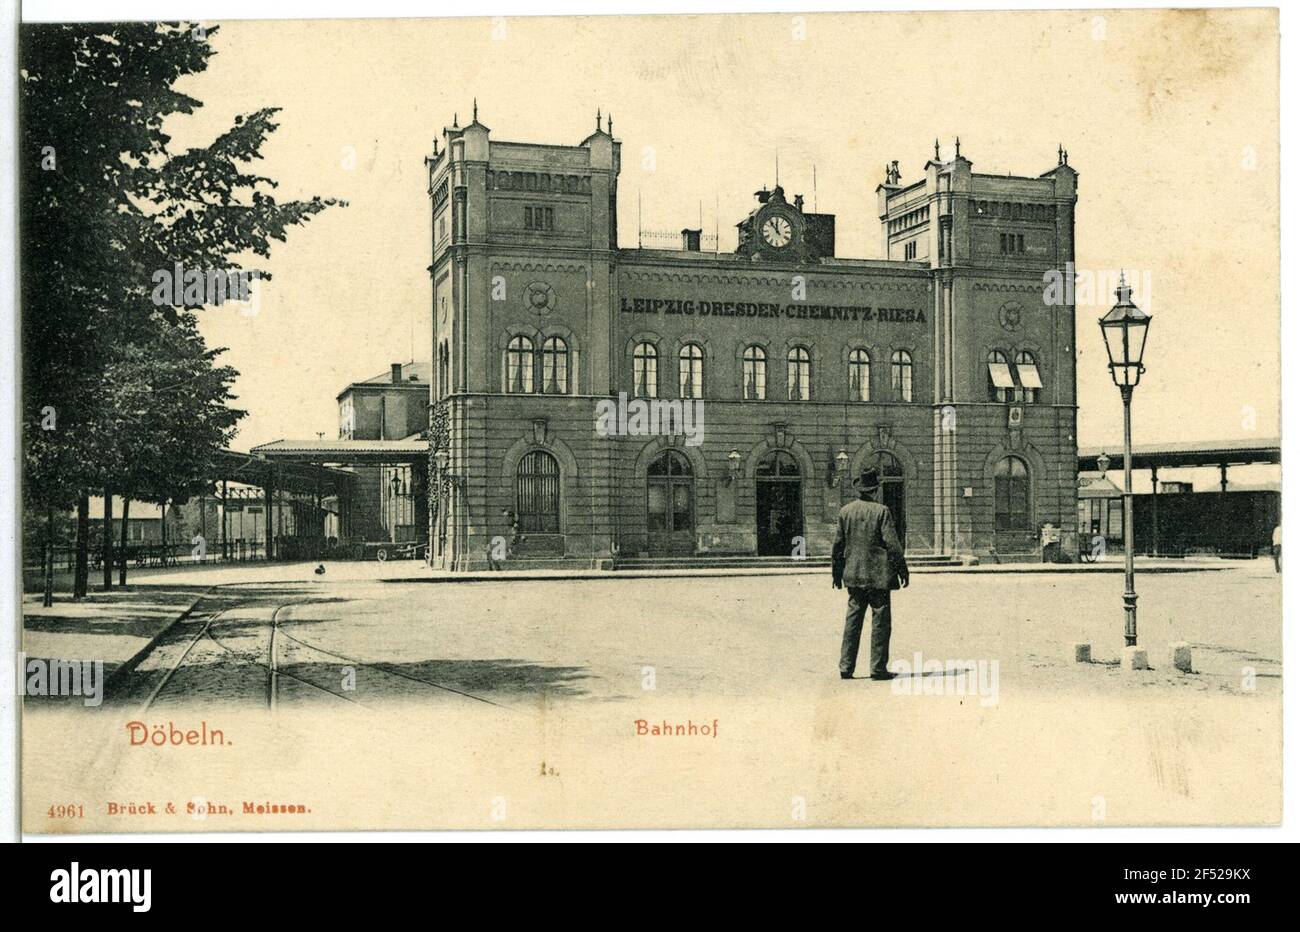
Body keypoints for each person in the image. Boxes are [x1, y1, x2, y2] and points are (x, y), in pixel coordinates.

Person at [832, 467, 910, 680]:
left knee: (852, 621)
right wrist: (903, 570)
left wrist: (836, 574)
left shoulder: (845, 512)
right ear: (875, 490)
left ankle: (846, 667)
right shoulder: (882, 511)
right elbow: (892, 545)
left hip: (854, 575)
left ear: (860, 490)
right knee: (881, 622)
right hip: (878, 577)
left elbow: (838, 546)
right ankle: (877, 669)